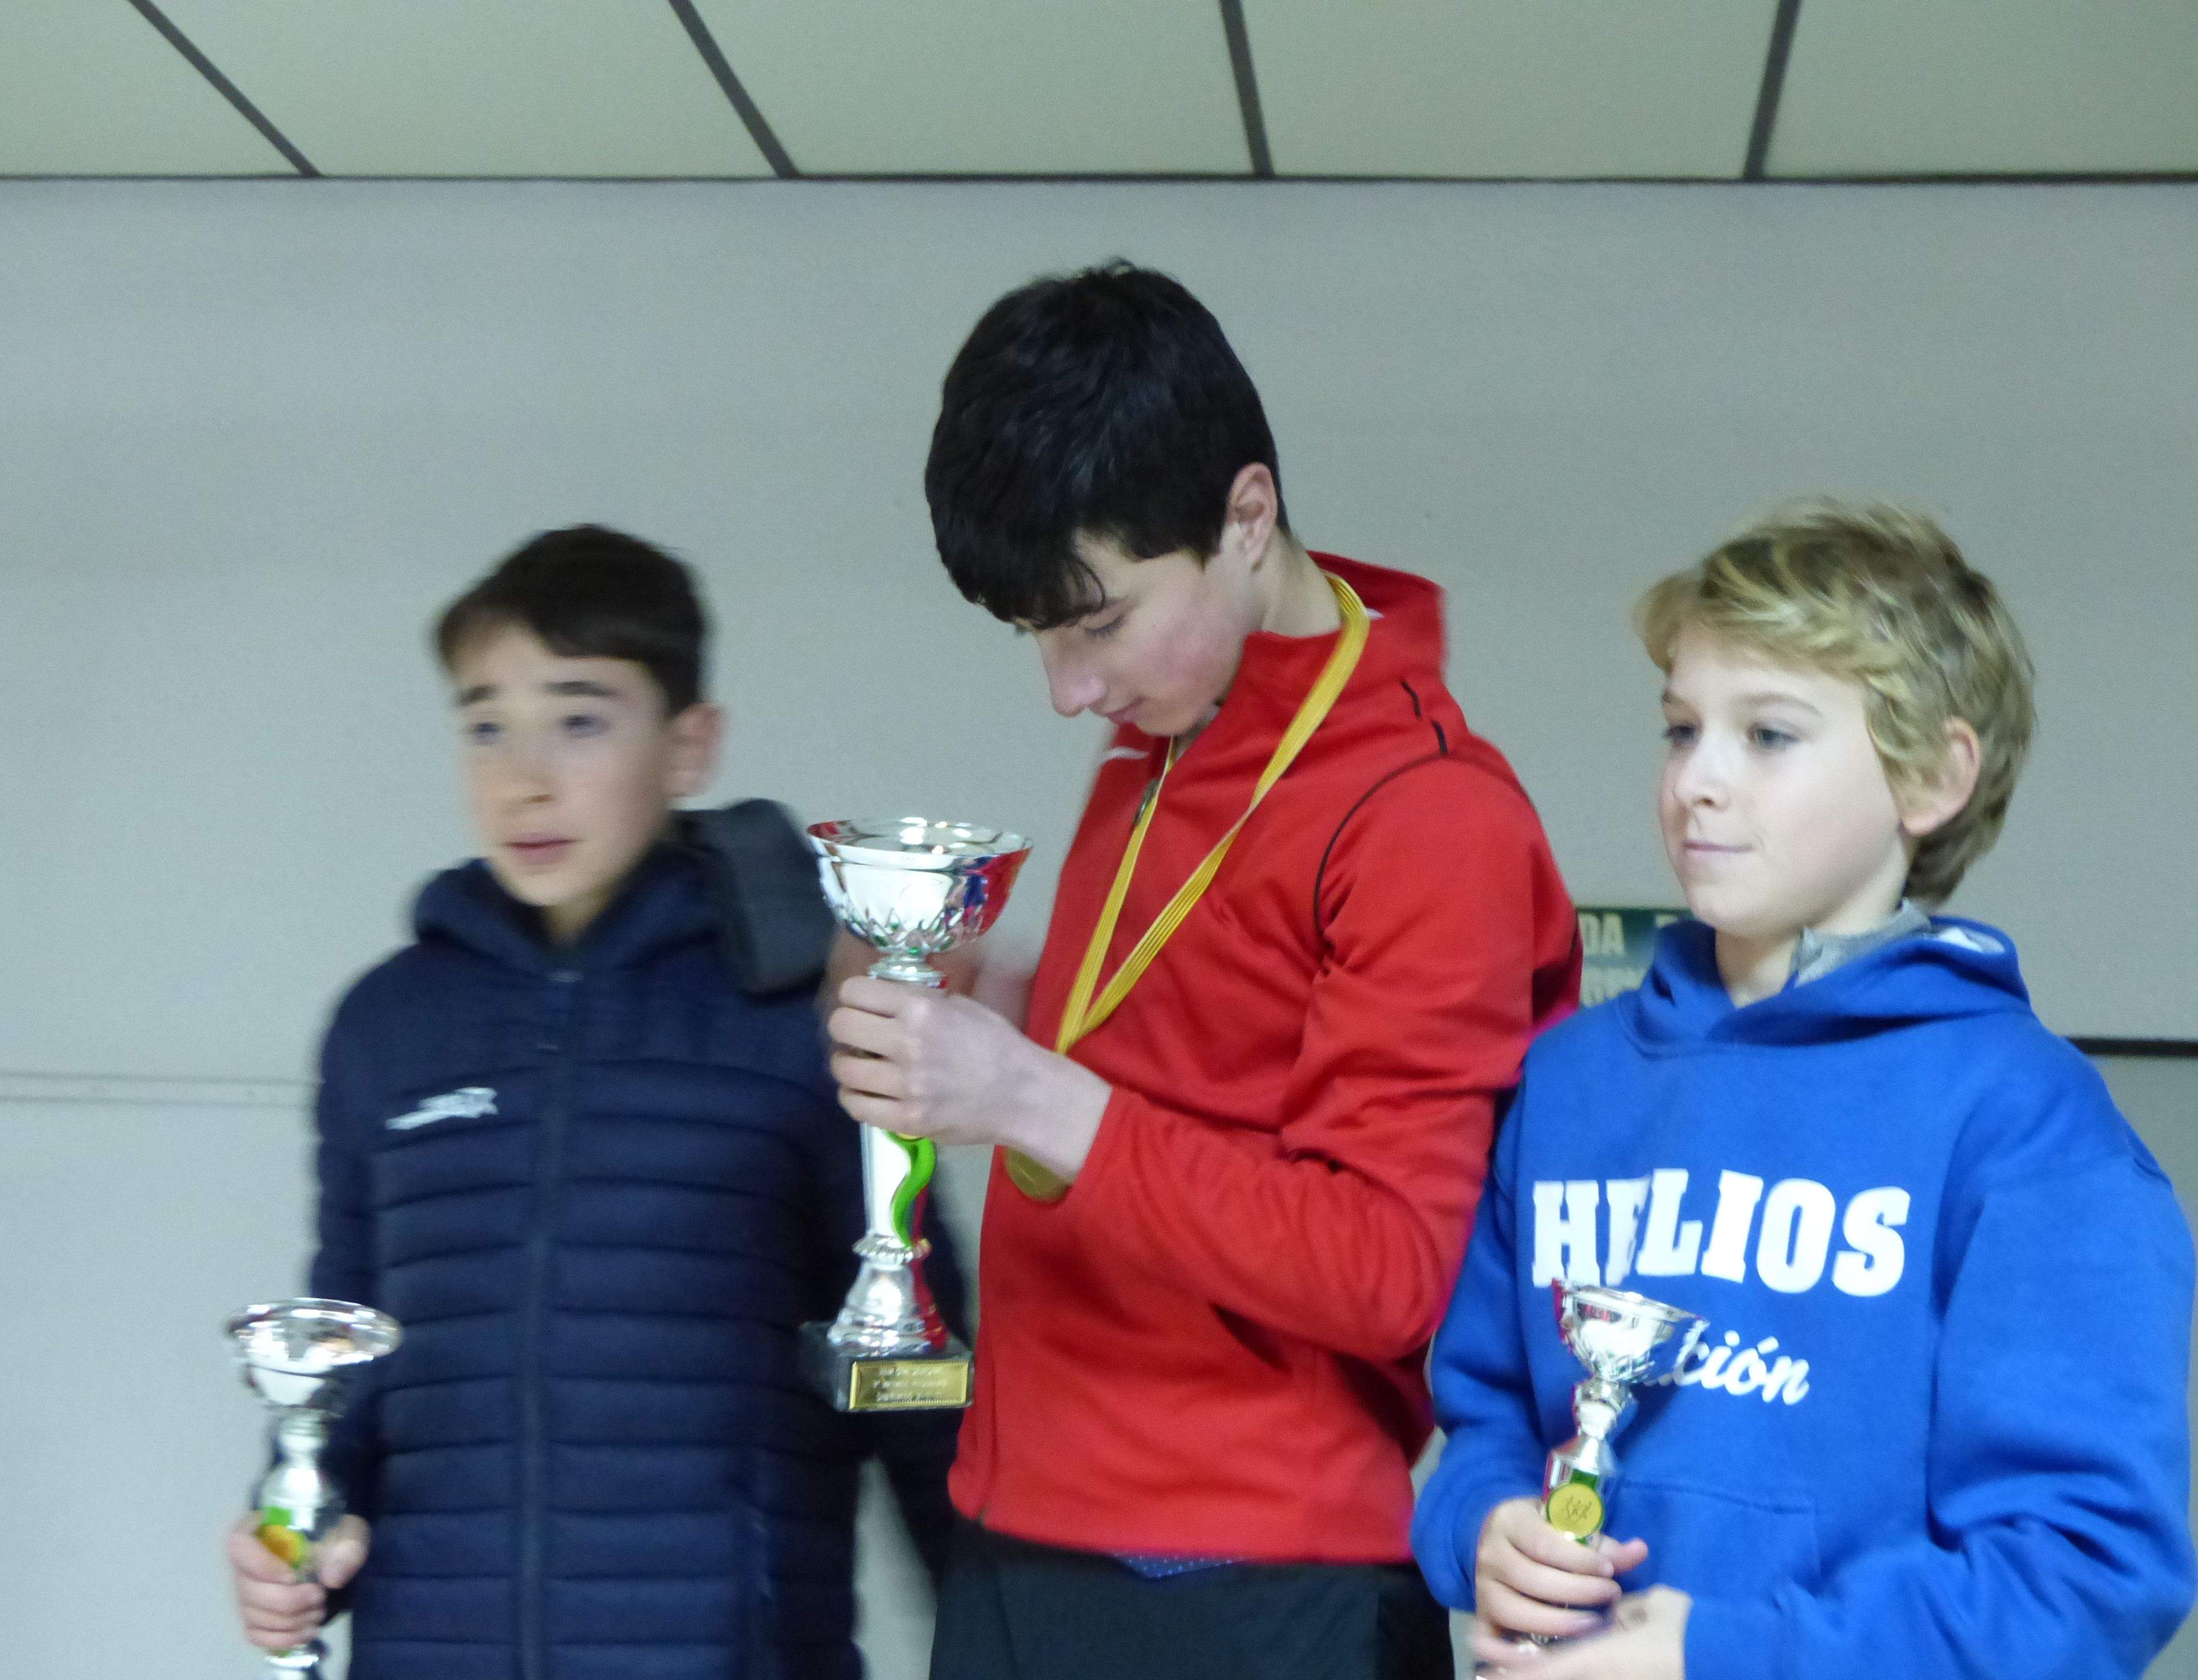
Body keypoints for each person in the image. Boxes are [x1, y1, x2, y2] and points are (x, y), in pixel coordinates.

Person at [826, 261, 1581, 1679]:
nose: (1065, 685)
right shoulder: (1168, 732)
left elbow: (1392, 1268)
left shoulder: (1431, 815)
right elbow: (1187, 1073)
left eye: (1093, 618)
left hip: (1242, 1579)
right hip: (1022, 1530)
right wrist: (995, 1015)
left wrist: (1033, 1097)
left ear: (1246, 517)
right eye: (1033, 633)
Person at [1413, 501, 2195, 1678]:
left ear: (1929, 778)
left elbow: (2083, 1576)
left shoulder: (2022, 1124)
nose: (1697, 784)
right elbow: (1484, 1422)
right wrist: (1479, 1529)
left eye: (1768, 736)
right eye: (1680, 731)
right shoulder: (1571, 1080)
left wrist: (1725, 1655)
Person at [225, 524, 965, 1680]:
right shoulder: (387, 1030)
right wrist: (287, 1546)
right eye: (485, 724)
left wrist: (1000, 1635)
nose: (526, 774)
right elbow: (343, 1382)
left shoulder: (814, 1015)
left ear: (688, 746)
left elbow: (924, 1399)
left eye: (579, 718)